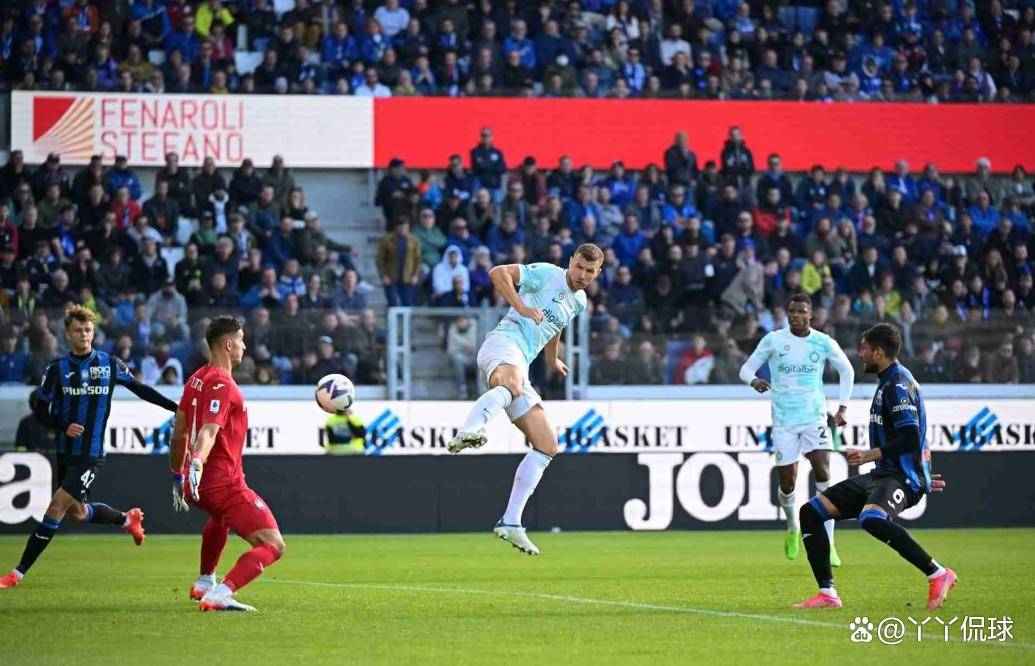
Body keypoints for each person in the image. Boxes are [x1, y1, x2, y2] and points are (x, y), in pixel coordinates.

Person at [1, 305, 178, 589]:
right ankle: (126, 519)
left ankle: (17, 573)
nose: (83, 335)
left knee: (56, 507)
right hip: (65, 451)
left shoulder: (110, 364)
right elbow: (41, 411)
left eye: (87, 330)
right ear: (68, 334)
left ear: (93, 333)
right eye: (77, 330)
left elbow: (141, 389)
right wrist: (63, 426)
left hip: (91, 453)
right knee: (78, 513)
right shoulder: (56, 369)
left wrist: (176, 408)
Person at [447, 244, 603, 556]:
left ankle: (511, 521)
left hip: (522, 365)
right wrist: (520, 306)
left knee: (547, 444)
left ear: (597, 273)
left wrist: (552, 358)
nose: (582, 275)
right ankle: (469, 428)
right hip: (503, 344)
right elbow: (497, 273)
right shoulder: (546, 273)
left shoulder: (579, 302)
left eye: (589, 271)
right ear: (570, 262)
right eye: (579, 267)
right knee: (513, 385)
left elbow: (555, 325)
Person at [793, 323, 956, 611]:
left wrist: (872, 456)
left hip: (900, 477)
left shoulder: (898, 385)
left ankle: (937, 573)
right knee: (811, 513)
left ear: (879, 352)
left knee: (871, 518)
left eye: (865, 348)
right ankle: (828, 594)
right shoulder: (888, 382)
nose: (860, 354)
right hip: (884, 475)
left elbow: (910, 437)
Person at [168, 315, 286, 612]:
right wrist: (197, 462)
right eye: (241, 340)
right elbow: (208, 432)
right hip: (222, 482)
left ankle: (205, 581)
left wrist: (177, 474)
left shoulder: (195, 378)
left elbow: (179, 434)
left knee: (221, 519)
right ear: (229, 344)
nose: (245, 347)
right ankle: (222, 593)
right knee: (273, 544)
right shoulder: (222, 384)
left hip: (196, 483)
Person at [738, 294, 854, 565]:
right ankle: (793, 527)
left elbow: (847, 371)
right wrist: (754, 381)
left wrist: (843, 408)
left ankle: (829, 543)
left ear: (810, 315)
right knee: (788, 483)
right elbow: (745, 369)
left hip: (815, 417)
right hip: (784, 421)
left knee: (824, 473)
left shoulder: (822, 342)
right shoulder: (774, 340)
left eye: (801, 311)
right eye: (791, 311)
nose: (795, 315)